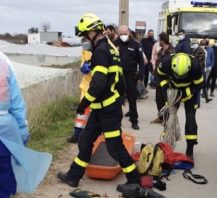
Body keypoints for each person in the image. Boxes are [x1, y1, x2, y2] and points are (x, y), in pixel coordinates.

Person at [57, 13, 140, 187]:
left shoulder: (101, 51)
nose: (84, 39)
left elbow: (98, 84)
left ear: (92, 33)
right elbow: (121, 80)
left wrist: (83, 103)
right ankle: (74, 176)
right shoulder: (110, 48)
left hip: (108, 111)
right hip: (102, 109)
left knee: (115, 147)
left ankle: (134, 180)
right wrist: (119, 98)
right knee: (85, 140)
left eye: (84, 35)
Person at [0, 52, 52, 197]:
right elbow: (16, 102)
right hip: (4, 133)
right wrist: (22, 130)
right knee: (4, 177)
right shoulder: (3, 60)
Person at [157, 53, 204, 159]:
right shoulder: (165, 63)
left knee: (191, 119)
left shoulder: (196, 66)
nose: (180, 78)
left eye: (183, 76)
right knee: (169, 118)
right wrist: (166, 92)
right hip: (173, 91)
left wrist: (185, 94)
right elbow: (159, 75)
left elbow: (199, 84)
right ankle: (167, 145)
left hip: (190, 92)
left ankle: (190, 149)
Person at [114, 25, 145, 130]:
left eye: (125, 33)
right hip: (118, 75)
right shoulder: (114, 44)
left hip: (131, 76)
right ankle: (116, 121)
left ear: (129, 33)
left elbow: (141, 62)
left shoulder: (136, 45)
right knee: (117, 99)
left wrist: (141, 75)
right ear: (118, 34)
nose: (123, 36)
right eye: (121, 34)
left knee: (132, 99)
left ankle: (134, 121)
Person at [67, 42, 92, 143]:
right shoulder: (86, 47)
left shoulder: (105, 46)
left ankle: (94, 137)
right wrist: (84, 66)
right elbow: (83, 60)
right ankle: (77, 134)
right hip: (87, 84)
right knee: (82, 111)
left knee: (98, 113)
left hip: (100, 84)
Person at [151, 32, 175, 124]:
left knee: (167, 101)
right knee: (159, 100)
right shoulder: (161, 51)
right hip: (159, 79)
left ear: (163, 40)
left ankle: (167, 119)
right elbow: (158, 62)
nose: (158, 41)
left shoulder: (172, 51)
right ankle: (161, 117)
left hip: (167, 80)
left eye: (159, 40)